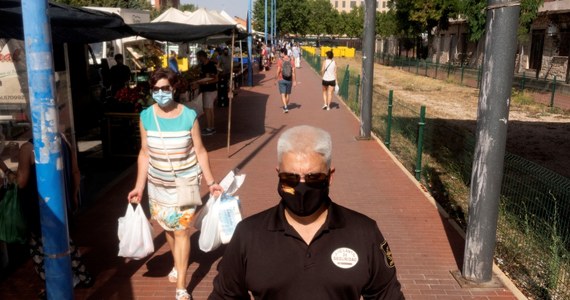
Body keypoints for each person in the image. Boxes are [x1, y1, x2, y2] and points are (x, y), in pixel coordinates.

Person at [209, 125, 404, 300]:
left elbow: (387, 295)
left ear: (330, 176)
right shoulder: (248, 234)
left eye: (313, 178)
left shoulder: (364, 233)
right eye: (290, 178)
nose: (301, 187)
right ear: (278, 174)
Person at [127, 68, 223, 300]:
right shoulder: (146, 117)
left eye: (165, 88)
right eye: (156, 89)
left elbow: (200, 150)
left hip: (185, 183)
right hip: (158, 186)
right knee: (168, 228)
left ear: (174, 88)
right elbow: (144, 153)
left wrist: (211, 181)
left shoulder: (188, 116)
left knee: (181, 231)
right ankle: (177, 263)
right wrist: (139, 186)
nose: (160, 93)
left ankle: (181, 285)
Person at [8, 133, 93, 298]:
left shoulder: (27, 148)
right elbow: (75, 172)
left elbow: (21, 181)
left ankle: (54, 285)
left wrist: (7, 172)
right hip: (62, 204)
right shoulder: (65, 140)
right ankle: (82, 275)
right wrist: (73, 196)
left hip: (38, 209)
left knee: (39, 249)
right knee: (64, 242)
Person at [195, 50, 219, 136]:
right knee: (209, 109)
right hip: (206, 90)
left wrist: (205, 83)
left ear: (202, 57)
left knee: (208, 110)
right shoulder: (202, 66)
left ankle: (210, 128)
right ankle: (211, 127)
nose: (198, 59)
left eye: (198, 57)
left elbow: (216, 79)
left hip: (210, 90)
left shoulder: (211, 65)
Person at [275, 47, 296, 113]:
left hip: (281, 79)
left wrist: (276, 79)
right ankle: (285, 106)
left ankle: (285, 107)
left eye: (281, 53)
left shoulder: (280, 60)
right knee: (288, 94)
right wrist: (294, 80)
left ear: (283, 53)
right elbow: (293, 71)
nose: (280, 54)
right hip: (289, 79)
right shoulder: (291, 60)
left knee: (283, 94)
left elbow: (278, 71)